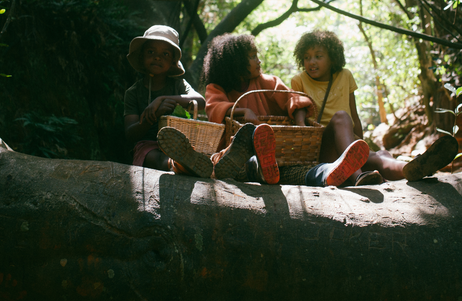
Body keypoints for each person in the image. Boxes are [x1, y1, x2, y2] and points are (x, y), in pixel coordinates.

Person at [291, 30, 458, 186]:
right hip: (322, 149)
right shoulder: (299, 80)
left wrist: (361, 147)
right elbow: (299, 113)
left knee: (382, 156)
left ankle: (412, 167)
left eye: (318, 56)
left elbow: (354, 116)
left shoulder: (345, 75)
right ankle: (357, 176)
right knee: (341, 117)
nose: (311, 62)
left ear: (332, 58)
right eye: (307, 57)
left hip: (347, 144)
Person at [201, 33, 371, 187]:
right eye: (253, 57)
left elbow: (294, 98)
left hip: (277, 159)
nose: (258, 60)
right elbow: (215, 108)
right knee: (235, 162)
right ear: (236, 64)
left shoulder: (267, 82)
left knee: (299, 171)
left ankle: (330, 173)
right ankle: (258, 165)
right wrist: (243, 111)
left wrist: (299, 121)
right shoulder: (216, 88)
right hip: (239, 158)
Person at [124, 25, 212, 176]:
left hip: (180, 145)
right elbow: (130, 134)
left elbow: (201, 101)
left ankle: (205, 162)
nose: (157, 57)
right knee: (158, 159)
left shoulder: (179, 85)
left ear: (172, 61)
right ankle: (180, 165)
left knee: (189, 152)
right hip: (148, 146)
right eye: (151, 52)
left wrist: (163, 98)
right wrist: (152, 117)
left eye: (165, 54)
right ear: (142, 56)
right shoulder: (133, 93)